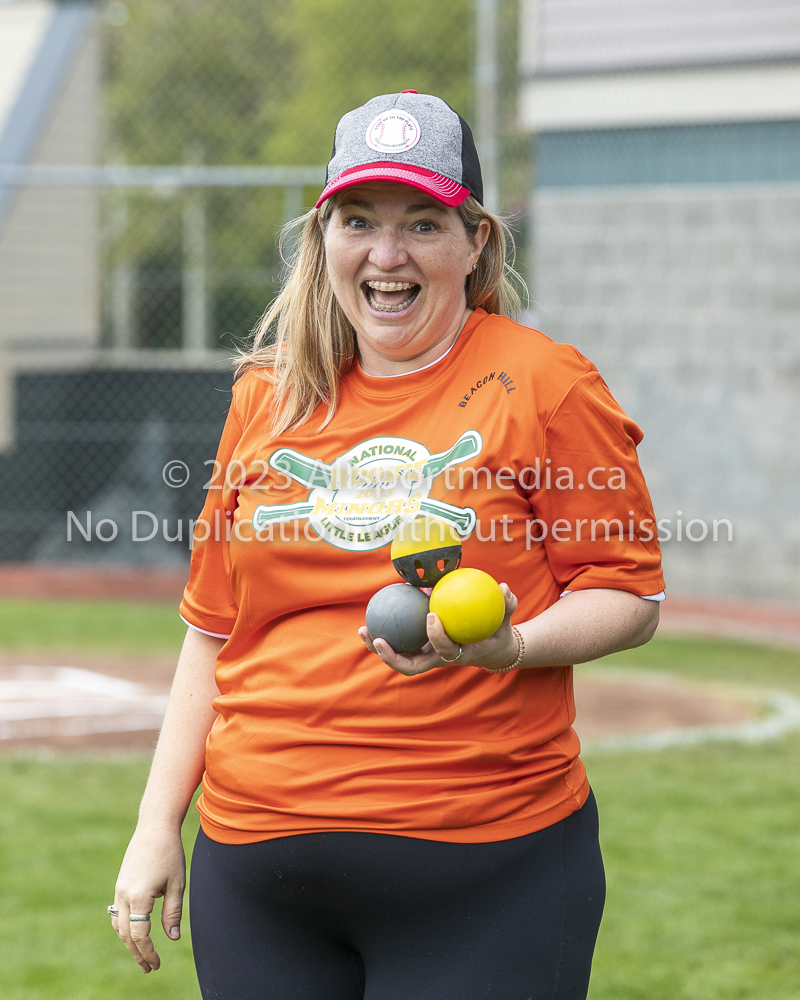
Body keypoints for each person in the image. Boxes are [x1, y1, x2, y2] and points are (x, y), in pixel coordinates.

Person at [110, 91, 665, 1000]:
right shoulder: (267, 396)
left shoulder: (545, 384)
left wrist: (513, 647)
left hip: (487, 869)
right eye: (358, 220)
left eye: (422, 222)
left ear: (475, 240)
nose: (387, 254)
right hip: (258, 876)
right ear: (323, 236)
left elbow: (627, 596)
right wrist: (154, 824)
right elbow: (214, 631)